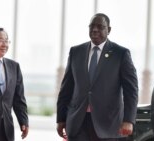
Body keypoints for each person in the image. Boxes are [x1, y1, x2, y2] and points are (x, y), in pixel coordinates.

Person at [56, 13, 138, 141]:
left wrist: (128, 120)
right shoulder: (75, 52)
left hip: (108, 124)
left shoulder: (120, 54)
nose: (95, 30)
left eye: (100, 27)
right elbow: (66, 88)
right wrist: (61, 118)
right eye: (92, 26)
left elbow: (131, 91)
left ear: (108, 30)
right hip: (78, 122)